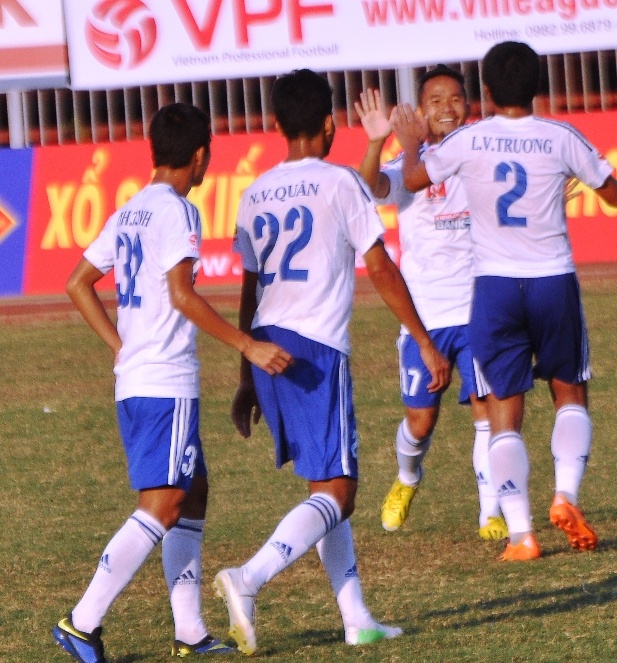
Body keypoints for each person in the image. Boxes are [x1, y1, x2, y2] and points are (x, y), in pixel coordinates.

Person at [391, 41, 617, 561]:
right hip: (552, 281)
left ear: (486, 92)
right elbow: (613, 195)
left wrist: (409, 144)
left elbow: (414, 177)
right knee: (570, 394)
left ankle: (521, 535)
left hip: (494, 289)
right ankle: (565, 495)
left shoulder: (468, 140)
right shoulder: (561, 136)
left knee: (502, 410)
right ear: (536, 87)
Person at [215, 68, 450, 655]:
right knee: (340, 491)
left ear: (277, 125)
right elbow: (381, 267)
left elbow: (250, 288)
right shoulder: (340, 182)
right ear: (329, 124)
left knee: (325, 484)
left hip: (265, 342)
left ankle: (356, 618)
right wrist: (423, 340)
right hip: (315, 348)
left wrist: (245, 374)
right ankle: (248, 579)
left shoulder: (255, 192)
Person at [55, 102, 293, 662]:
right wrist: (248, 345)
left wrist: (121, 347)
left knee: (193, 493)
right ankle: (81, 622)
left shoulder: (131, 210)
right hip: (164, 381)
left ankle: (190, 632)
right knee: (164, 505)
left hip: (137, 378)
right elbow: (182, 296)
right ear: (201, 156)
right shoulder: (180, 211)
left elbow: (77, 282)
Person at [354, 66, 507, 541]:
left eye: (455, 99)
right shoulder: (406, 164)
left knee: (488, 410)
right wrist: (377, 143)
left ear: (469, 107)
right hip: (424, 317)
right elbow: (367, 186)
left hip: (478, 309)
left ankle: (490, 514)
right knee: (420, 422)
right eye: (435, 100)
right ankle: (407, 477)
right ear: (420, 112)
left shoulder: (481, 156)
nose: (446, 107)